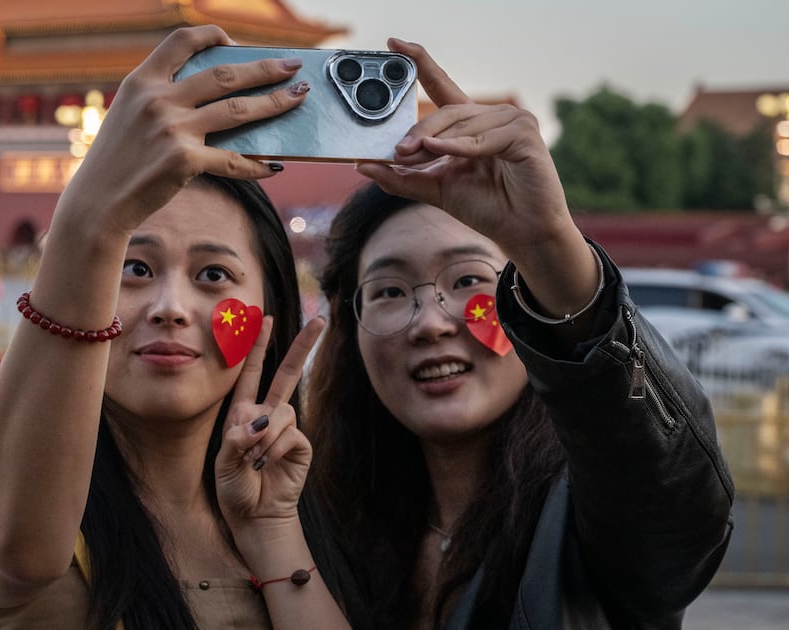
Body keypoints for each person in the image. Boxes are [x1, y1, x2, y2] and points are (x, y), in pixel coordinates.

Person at [0, 26, 354, 629]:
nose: (170, 306)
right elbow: (16, 556)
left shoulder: (313, 518)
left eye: (213, 275)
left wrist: (274, 533)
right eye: (135, 268)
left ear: (270, 309)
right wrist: (90, 221)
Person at [305, 39, 734, 629]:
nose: (430, 323)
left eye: (468, 281)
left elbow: (677, 495)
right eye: (389, 291)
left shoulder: (596, 517)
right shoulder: (318, 523)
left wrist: (550, 249)